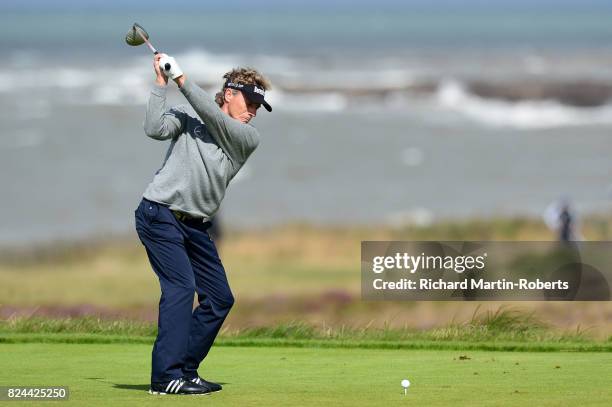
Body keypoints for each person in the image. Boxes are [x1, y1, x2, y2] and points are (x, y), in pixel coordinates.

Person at [134, 53, 272, 395]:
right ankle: (165, 378)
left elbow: (213, 118)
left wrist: (182, 77)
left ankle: (186, 368)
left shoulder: (245, 138)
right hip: (159, 215)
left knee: (220, 298)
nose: (253, 110)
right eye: (250, 101)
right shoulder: (190, 118)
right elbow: (154, 128)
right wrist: (161, 84)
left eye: (259, 106)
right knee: (180, 289)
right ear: (228, 93)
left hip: (196, 226)